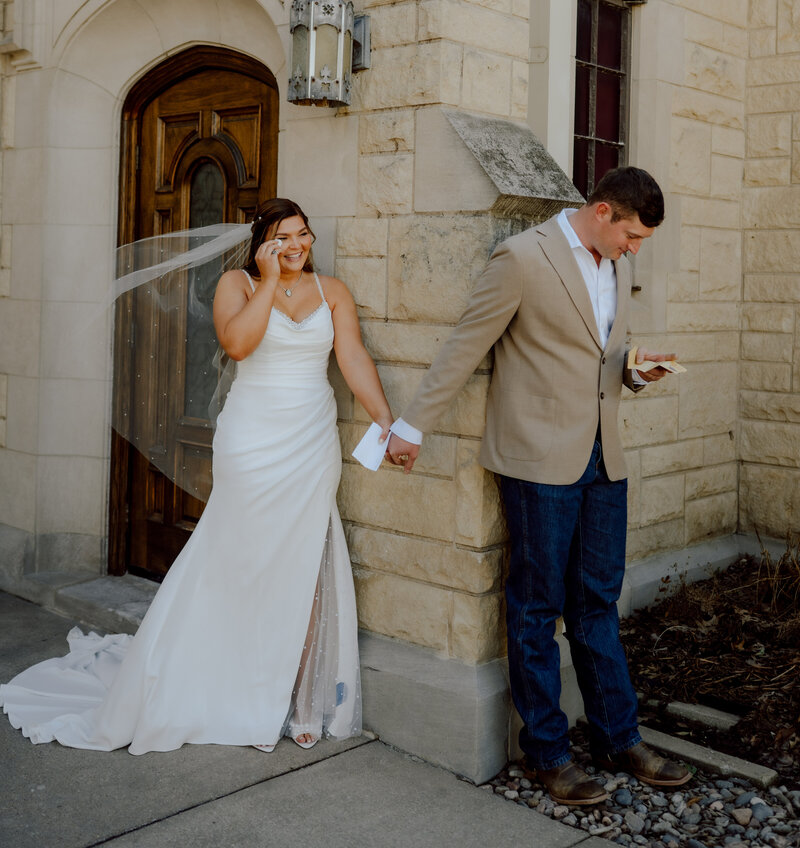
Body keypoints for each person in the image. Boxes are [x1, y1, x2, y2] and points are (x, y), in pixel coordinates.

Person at [0, 198, 392, 755]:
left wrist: (387, 422)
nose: (298, 245)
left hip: (310, 443)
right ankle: (224, 678)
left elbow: (352, 357)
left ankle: (300, 698)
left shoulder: (333, 292)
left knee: (305, 559)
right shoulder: (237, 284)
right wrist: (269, 278)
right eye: (284, 236)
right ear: (263, 242)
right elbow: (238, 344)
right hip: (252, 442)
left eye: (303, 234)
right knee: (235, 558)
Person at [387, 167, 691, 805]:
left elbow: (602, 356)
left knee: (597, 603)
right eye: (631, 235)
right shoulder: (523, 258)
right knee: (534, 609)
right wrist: (412, 426)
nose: (635, 249)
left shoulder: (617, 264)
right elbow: (466, 346)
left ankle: (618, 736)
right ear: (602, 211)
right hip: (536, 461)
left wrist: (636, 375)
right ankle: (547, 754)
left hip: (604, 459)